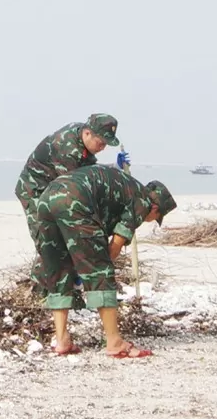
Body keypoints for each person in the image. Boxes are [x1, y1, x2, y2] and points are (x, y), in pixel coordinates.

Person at [34, 165, 176, 358]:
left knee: (58, 269)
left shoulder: (127, 186)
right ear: (155, 208)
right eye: (155, 218)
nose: (149, 220)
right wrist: (94, 267)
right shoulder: (142, 200)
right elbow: (114, 247)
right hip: (75, 200)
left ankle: (62, 340)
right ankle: (114, 342)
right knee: (100, 270)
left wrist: (78, 264)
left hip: (48, 197)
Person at [14, 113, 124, 294]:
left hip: (56, 189)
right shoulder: (66, 148)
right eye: (101, 143)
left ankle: (62, 288)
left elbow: (87, 172)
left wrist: (113, 167)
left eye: (106, 144)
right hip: (35, 190)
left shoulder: (83, 138)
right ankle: (39, 294)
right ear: (88, 133)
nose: (102, 148)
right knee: (49, 240)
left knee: (64, 238)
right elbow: (76, 186)